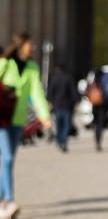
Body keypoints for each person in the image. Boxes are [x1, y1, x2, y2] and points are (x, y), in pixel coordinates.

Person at [0, 33, 52, 219]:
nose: (33, 48)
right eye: (30, 44)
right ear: (21, 45)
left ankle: (1, 201)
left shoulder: (32, 67)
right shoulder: (4, 63)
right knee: (6, 159)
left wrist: (44, 116)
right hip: (2, 119)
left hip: (17, 120)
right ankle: (9, 200)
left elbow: (36, 93)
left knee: (9, 160)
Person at [46, 63, 79, 153]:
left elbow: (50, 92)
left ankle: (59, 141)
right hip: (67, 105)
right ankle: (63, 142)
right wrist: (76, 102)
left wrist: (50, 102)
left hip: (57, 105)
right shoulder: (69, 78)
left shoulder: (54, 79)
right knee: (66, 125)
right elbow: (73, 92)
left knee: (59, 125)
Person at [86, 68, 108, 151]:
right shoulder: (104, 82)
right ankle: (98, 141)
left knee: (96, 124)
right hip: (102, 106)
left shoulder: (92, 83)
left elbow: (87, 93)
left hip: (94, 105)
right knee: (100, 124)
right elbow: (107, 94)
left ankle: (96, 139)